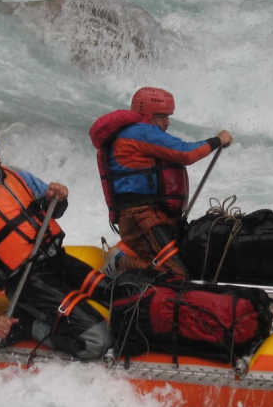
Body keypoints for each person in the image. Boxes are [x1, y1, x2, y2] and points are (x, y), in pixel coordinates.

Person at [0, 127, 111, 359]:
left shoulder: (16, 176)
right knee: (97, 341)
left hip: (57, 262)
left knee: (122, 296)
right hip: (27, 282)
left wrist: (58, 198)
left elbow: (53, 211)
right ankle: (27, 325)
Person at [89, 87, 232, 278]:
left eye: (168, 116)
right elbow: (186, 153)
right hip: (140, 216)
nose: (167, 122)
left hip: (153, 215)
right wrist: (218, 140)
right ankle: (119, 262)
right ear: (147, 114)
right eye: (162, 116)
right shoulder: (140, 131)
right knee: (176, 275)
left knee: (188, 264)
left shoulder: (137, 132)